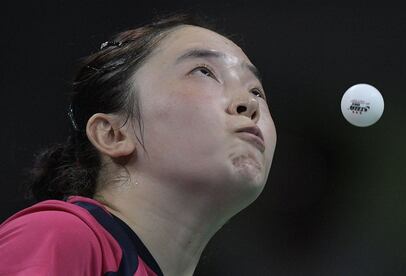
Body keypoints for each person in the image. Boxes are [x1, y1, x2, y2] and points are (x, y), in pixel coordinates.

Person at [0, 13, 277, 276]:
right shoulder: (60, 235)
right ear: (113, 134)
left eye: (256, 91)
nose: (249, 103)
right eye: (203, 71)